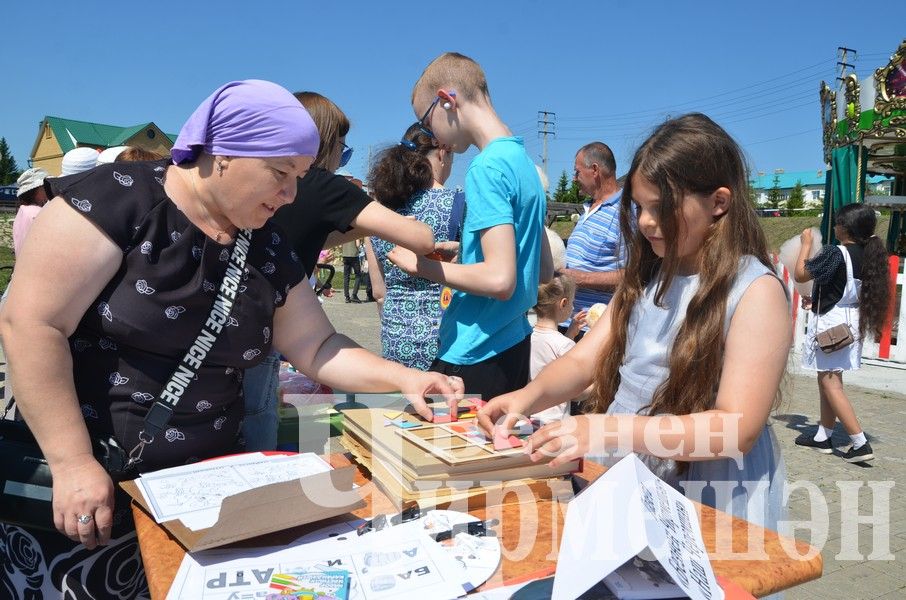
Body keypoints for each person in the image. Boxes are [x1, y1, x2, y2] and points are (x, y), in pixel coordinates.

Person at [0, 79, 461, 598]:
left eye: (300, 178)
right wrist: (71, 461)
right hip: (94, 488)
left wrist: (408, 378)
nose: (289, 196)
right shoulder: (117, 200)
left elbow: (317, 346)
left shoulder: (265, 245)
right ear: (224, 152)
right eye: (280, 174)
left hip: (204, 496)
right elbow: (32, 324)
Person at [478, 113, 791, 531]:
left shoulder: (754, 291)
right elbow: (583, 362)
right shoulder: (646, 277)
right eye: (640, 206)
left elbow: (737, 428)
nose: (644, 222)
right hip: (630, 467)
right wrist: (527, 397)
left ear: (719, 202)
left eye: (661, 208)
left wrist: (609, 429)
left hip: (708, 491)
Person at [242, 91, 437, 451]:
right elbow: (422, 237)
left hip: (258, 334)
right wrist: (398, 221)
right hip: (267, 341)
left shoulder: (270, 210)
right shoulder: (322, 184)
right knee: (256, 439)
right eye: (342, 147)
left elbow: (319, 235)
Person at [388, 52, 549, 400]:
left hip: (475, 349)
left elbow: (499, 280)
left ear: (446, 101)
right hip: (513, 343)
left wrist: (421, 266)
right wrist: (466, 250)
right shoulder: (524, 164)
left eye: (425, 121)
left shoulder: (485, 168)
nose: (430, 134)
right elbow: (542, 266)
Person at [793, 203, 890, 462]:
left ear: (844, 227)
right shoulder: (867, 253)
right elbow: (842, 288)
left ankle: (859, 442)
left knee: (830, 382)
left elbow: (801, 274)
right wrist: (816, 300)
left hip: (832, 324)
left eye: (837, 222)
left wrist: (805, 243)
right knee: (828, 378)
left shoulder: (836, 252)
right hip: (849, 321)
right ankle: (823, 435)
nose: (834, 226)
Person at [367, 123, 458, 370]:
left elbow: (379, 292)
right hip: (446, 337)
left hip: (395, 336)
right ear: (442, 152)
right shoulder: (458, 204)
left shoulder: (377, 211)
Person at [561, 142, 625, 330]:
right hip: (567, 325)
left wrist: (581, 279)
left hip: (593, 331)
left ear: (595, 170)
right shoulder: (587, 208)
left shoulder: (625, 214)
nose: (574, 178)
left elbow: (634, 275)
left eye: (577, 172)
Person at [529, 273, 586, 424]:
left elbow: (550, 357)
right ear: (563, 303)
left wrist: (570, 333)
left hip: (529, 415)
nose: (573, 307)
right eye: (572, 302)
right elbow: (576, 393)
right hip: (554, 421)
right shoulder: (564, 345)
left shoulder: (528, 335)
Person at [12, 168, 50, 256]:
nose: (49, 190)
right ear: (34, 191)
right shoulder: (37, 214)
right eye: (45, 187)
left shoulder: (23, 210)